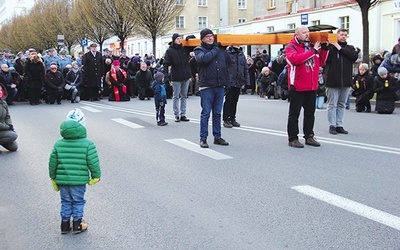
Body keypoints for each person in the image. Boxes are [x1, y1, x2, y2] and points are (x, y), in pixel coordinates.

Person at [49, 108, 101, 234]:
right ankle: (77, 224)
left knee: (66, 201)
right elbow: (93, 162)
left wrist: (53, 177)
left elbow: (52, 163)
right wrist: (96, 176)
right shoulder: (88, 144)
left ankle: (65, 225)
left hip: (63, 181)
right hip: (78, 181)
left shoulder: (58, 144)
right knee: (78, 201)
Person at [285, 25, 329, 148]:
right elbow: (295, 60)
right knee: (294, 114)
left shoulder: (311, 46)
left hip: (311, 85)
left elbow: (321, 62)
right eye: (304, 32)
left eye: (308, 32)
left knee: (310, 113)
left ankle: (309, 136)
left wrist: (324, 49)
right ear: (297, 34)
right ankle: (293, 138)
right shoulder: (291, 47)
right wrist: (313, 51)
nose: (307, 34)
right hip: (297, 86)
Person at [194, 28, 229, 148]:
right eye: (207, 36)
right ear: (202, 38)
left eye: (211, 36)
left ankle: (217, 137)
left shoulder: (221, 50)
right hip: (207, 86)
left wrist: (226, 83)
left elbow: (227, 65)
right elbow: (203, 59)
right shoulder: (199, 50)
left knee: (217, 113)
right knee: (206, 113)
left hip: (219, 85)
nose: (210, 38)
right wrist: (215, 48)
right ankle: (203, 138)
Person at [324, 28, 359, 135]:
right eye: (341, 35)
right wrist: (333, 46)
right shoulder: (331, 48)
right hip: (332, 80)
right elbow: (326, 59)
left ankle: (339, 124)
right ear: (337, 36)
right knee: (332, 104)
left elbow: (353, 56)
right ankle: (332, 125)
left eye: (345, 35)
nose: (343, 36)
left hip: (346, 81)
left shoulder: (350, 48)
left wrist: (340, 48)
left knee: (342, 104)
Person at [163, 33, 192, 122]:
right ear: (174, 40)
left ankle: (183, 114)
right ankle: (176, 114)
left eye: (180, 38)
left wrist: (189, 39)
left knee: (184, 96)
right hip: (176, 76)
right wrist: (166, 75)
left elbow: (193, 46)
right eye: (177, 39)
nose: (179, 40)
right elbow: (166, 63)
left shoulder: (184, 48)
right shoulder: (170, 51)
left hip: (186, 75)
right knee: (176, 96)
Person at [223, 45, 249, 128]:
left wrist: (246, 81)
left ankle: (232, 118)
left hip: (238, 80)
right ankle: (226, 119)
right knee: (228, 100)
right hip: (229, 81)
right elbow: (224, 67)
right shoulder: (228, 52)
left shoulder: (241, 54)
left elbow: (245, 68)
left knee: (235, 101)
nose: (238, 44)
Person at [0, 83, 18, 153]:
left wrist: (10, 125)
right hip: (3, 128)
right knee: (13, 135)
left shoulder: (3, 102)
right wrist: (7, 128)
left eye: (1, 90)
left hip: (2, 128)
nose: (0, 92)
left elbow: (7, 116)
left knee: (14, 147)